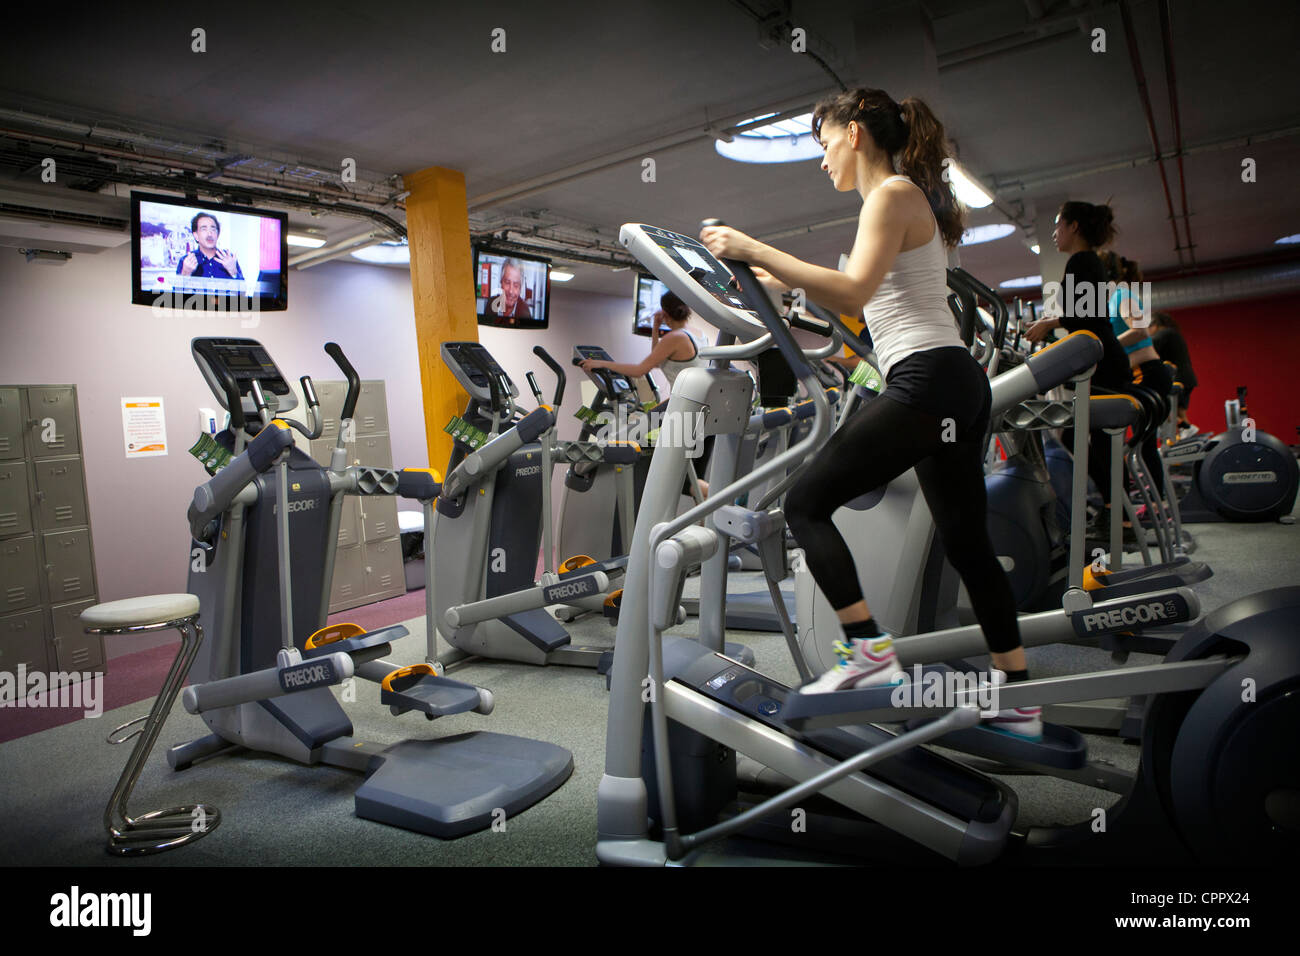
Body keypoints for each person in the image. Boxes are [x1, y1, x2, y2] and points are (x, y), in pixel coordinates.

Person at [699, 87, 1039, 738]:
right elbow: (863, 299)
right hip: (952, 380)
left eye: (824, 144)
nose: (822, 160)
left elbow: (853, 289)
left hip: (928, 379)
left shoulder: (891, 195)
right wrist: (771, 285)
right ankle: (1016, 693)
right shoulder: (902, 200)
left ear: (855, 133)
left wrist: (757, 247)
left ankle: (868, 659)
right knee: (968, 545)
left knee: (804, 503)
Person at [1024, 201, 1132, 539]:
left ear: (1074, 227)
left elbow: (1089, 319)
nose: (1054, 233)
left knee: (1095, 440)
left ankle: (1119, 518)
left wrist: (1049, 322)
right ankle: (1118, 515)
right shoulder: (1088, 262)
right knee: (1094, 440)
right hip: (1105, 360)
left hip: (1105, 363)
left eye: (1058, 225)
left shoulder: (1081, 262)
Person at [579, 291, 711, 494]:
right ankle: (710, 521)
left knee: (685, 483)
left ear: (665, 312)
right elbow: (657, 361)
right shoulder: (698, 335)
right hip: (704, 409)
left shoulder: (675, 338)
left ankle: (725, 502)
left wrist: (601, 363)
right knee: (694, 479)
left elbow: (640, 369)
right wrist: (656, 329)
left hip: (684, 407)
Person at [1105, 255, 1173, 500]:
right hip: (1142, 373)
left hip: (1147, 373)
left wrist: (1106, 347)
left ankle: (1157, 504)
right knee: (1142, 445)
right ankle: (1156, 501)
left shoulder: (1123, 295)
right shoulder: (1115, 298)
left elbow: (1139, 330)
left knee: (1144, 446)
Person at [1149, 311, 1198, 434]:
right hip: (1187, 378)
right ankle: (1186, 430)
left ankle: (1185, 429)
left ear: (1155, 325)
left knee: (1166, 408)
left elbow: (1148, 347)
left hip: (1178, 378)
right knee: (1179, 411)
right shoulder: (1173, 334)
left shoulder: (1164, 333)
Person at [176, 212, 243, 279]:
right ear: (196, 235)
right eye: (204, 229)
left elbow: (243, 289)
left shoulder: (229, 259)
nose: (210, 234)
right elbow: (176, 289)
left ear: (218, 234)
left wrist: (234, 272)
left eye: (213, 229)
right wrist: (185, 273)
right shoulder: (186, 260)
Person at [489, 258, 532, 323]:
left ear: (520, 288)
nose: (511, 291)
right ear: (501, 283)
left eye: (516, 285)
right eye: (507, 282)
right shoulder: (491, 304)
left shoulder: (525, 313)